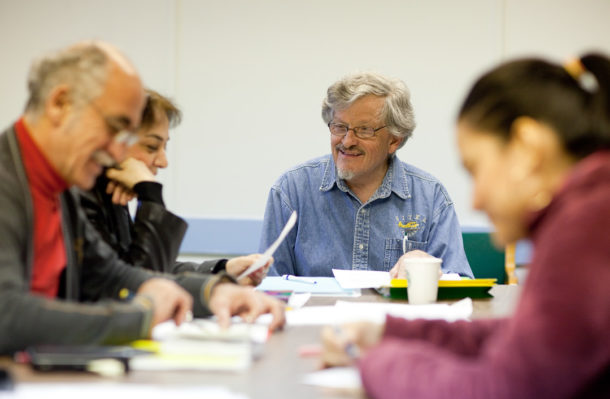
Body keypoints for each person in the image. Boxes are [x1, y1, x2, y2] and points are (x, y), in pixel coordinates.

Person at [320, 53, 610, 399]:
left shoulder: (587, 229)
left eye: (476, 169)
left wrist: (370, 361)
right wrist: (387, 331)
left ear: (528, 149)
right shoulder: (590, 211)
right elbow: (521, 339)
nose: (476, 200)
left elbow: (496, 395)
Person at [0, 41, 284, 356]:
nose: (119, 153)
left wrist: (213, 292)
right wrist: (140, 317)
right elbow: (7, 315)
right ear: (60, 104)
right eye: (115, 128)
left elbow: (111, 274)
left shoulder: (58, 186)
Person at [259, 72, 473, 278]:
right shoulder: (292, 190)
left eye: (364, 130)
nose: (347, 141)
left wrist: (427, 267)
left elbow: (462, 285)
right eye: (339, 127)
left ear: (394, 140)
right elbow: (268, 284)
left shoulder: (430, 197)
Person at [78, 89, 267, 286]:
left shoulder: (112, 196)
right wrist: (150, 192)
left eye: (164, 147)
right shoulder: (81, 199)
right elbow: (140, 285)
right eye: (152, 147)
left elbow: (146, 269)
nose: (163, 162)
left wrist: (222, 271)